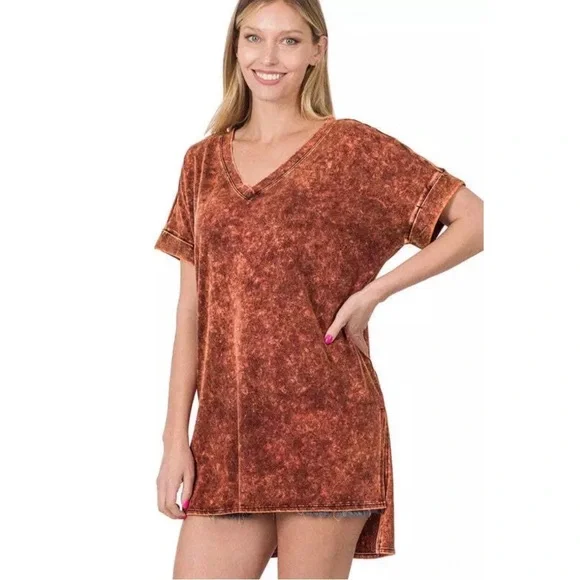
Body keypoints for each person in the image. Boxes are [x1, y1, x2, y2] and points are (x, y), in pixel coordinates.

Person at [153, 0, 484, 578]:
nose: (268, 56)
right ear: (235, 47)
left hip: (326, 426)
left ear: (316, 51)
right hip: (227, 439)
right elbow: (191, 311)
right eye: (253, 38)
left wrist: (375, 291)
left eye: (288, 40)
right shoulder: (201, 163)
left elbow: (475, 221)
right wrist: (174, 439)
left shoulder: (351, 148)